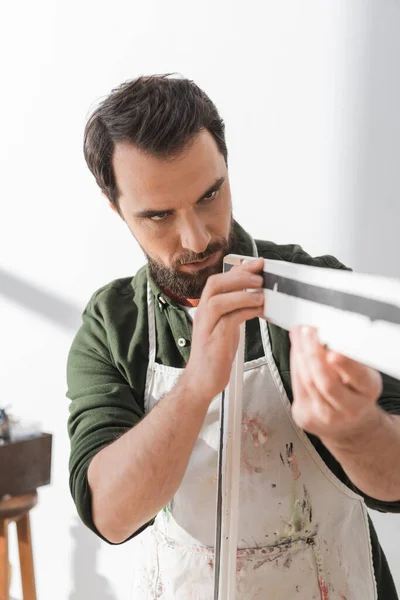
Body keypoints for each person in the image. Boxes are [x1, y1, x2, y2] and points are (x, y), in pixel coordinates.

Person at [67, 75, 400, 599]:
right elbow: (110, 516)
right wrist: (198, 384)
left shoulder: (314, 292)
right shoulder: (113, 324)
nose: (196, 237)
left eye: (210, 195)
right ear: (117, 209)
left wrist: (356, 427)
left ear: (226, 167)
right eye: (158, 216)